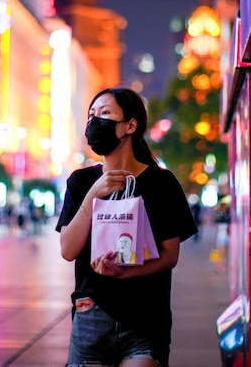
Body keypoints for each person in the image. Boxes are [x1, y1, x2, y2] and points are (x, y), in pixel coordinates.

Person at [56, 87, 198, 367]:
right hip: (90, 313)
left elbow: (170, 255)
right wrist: (93, 195)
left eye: (105, 113)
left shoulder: (162, 182)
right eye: (91, 115)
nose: (95, 122)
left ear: (131, 125)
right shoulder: (81, 182)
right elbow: (68, 250)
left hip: (145, 317)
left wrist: (126, 273)